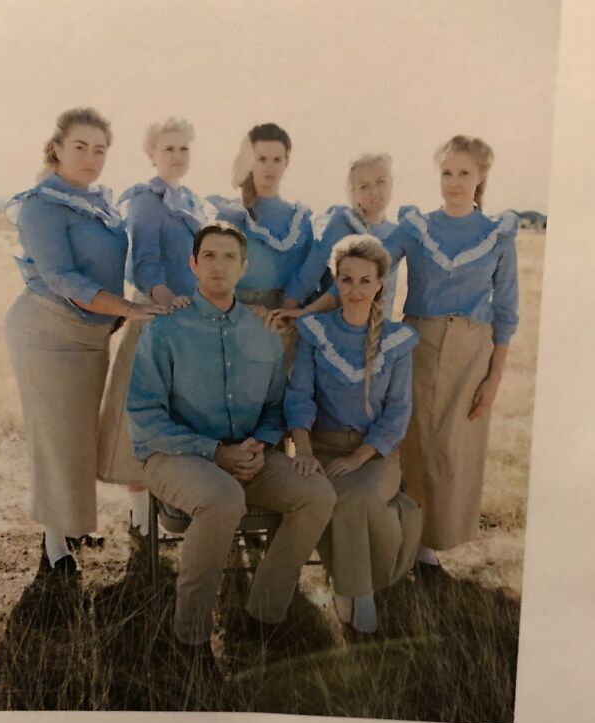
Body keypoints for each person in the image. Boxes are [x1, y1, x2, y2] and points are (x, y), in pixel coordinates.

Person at [127, 222, 336, 659]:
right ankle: (191, 640)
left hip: (248, 453)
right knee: (222, 498)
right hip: (176, 454)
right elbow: (145, 418)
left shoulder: (263, 331)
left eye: (228, 258)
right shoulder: (165, 331)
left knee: (316, 495)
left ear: (243, 267)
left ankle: (264, 614)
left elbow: (276, 408)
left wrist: (259, 444)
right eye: (208, 256)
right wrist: (216, 453)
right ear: (193, 265)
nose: (218, 266)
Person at [4, 107, 164, 575]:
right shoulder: (40, 204)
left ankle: (73, 520)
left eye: (100, 150)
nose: (91, 158)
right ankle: (55, 543)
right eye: (81, 147)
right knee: (59, 438)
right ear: (57, 148)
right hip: (47, 333)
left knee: (83, 435)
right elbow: (61, 277)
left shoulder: (100, 202)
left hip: (92, 336)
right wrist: (128, 309)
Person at [285, 234, 422, 634]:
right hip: (322, 448)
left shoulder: (396, 340)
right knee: (330, 495)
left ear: (381, 282)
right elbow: (299, 396)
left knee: (355, 497)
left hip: (374, 455)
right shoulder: (316, 331)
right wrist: (305, 452)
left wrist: (358, 457)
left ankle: (356, 590)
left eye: (366, 280)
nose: (356, 290)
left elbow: (398, 411)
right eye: (347, 280)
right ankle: (355, 589)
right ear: (335, 280)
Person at [395, 135, 519, 573]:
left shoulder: (498, 233)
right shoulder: (415, 226)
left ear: (482, 175)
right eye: (447, 172)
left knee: (452, 448)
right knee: (414, 443)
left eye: (464, 173)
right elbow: (372, 266)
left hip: (471, 351)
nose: (453, 182)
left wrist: (494, 378)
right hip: (419, 345)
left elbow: (506, 310)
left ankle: (435, 545)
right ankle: (409, 546)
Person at [96, 118, 215, 534]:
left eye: (184, 149)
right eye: (168, 149)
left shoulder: (192, 202)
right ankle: (140, 514)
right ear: (152, 154)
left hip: (190, 324)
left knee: (179, 417)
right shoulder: (147, 201)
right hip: (156, 319)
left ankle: (170, 505)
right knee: (140, 418)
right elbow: (144, 263)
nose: (177, 157)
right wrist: (167, 302)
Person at [282, 152, 402, 321]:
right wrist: (287, 310)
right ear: (353, 193)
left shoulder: (396, 234)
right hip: (333, 321)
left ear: (391, 184)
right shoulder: (343, 222)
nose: (374, 192)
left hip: (373, 328)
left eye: (381, 182)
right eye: (364, 186)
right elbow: (311, 271)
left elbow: (387, 294)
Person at [207, 123, 313, 314]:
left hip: (282, 313)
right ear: (250, 162)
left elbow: (306, 275)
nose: (269, 167)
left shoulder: (299, 221)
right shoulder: (230, 214)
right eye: (261, 159)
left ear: (286, 162)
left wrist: (287, 308)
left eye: (276, 159)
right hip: (232, 311)